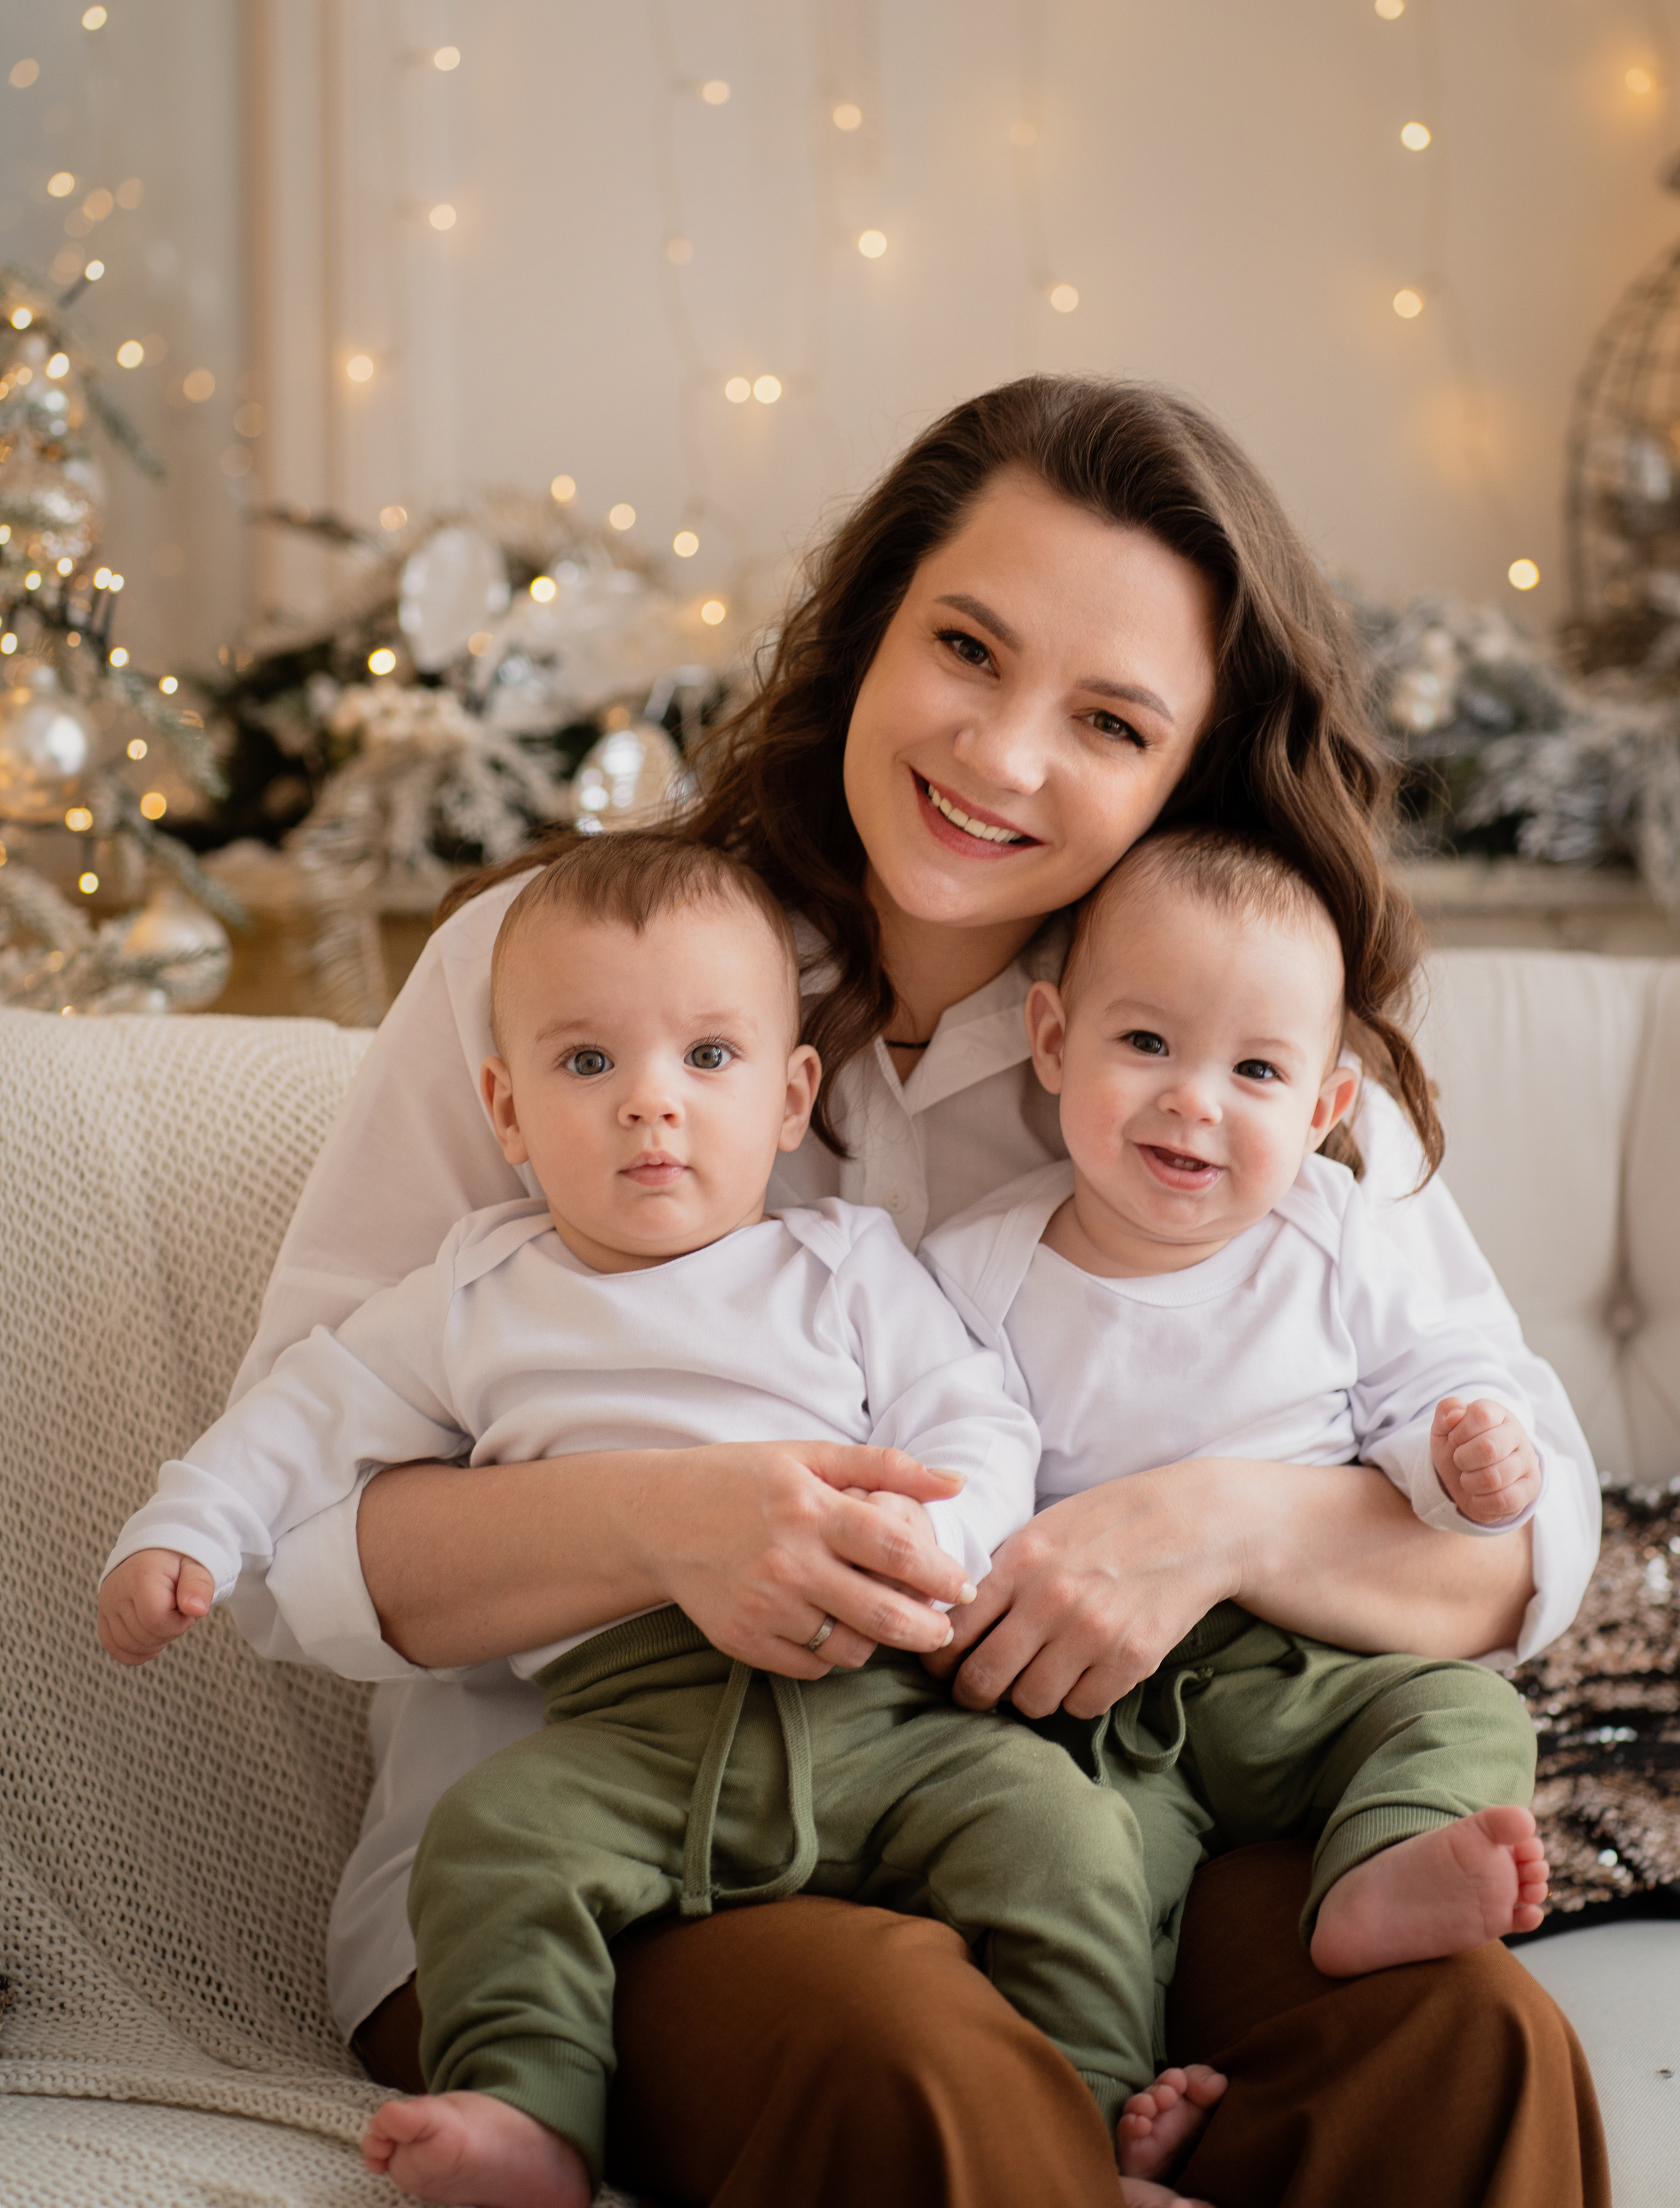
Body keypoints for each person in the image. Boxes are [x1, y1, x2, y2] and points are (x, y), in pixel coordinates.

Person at [193, 378, 1606, 2207]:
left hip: (1102, 1848)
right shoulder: (564, 975)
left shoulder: (1249, 1053)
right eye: (966, 646)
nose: (1005, 755)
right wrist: (658, 1520)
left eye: (1107, 718)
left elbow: (1529, 1537)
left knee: (1473, 2035)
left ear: (1192, 766)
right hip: (604, 1853)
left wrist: (1208, 1524)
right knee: (913, 2043)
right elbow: (287, 1534)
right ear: (868, 631)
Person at [100, 832, 1221, 2206]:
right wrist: (185, 1534)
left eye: (707, 1060)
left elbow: (973, 1417)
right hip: (628, 1729)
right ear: (504, 1114)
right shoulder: (475, 1295)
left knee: (1060, 1828)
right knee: (493, 1842)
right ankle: (529, 2115)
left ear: (792, 1094)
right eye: (589, 1065)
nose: (651, 1106)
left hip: (878, 1709)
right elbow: (297, 1422)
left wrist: (947, 1539)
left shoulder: (845, 1267)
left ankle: (1095, 2116)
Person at [923, 825, 1556, 2175]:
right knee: (1077, 1875)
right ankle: (1098, 2119)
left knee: (1460, 1710)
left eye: (1254, 1070)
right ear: (1051, 1043)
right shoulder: (974, 1268)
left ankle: (1378, 1872)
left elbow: (1435, 1378)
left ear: (1323, 1110)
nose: (1192, 1102)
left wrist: (1468, 1458)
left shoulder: (1334, 1236)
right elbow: (944, 1447)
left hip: (1308, 1664)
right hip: (1097, 1704)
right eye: (1143, 1045)